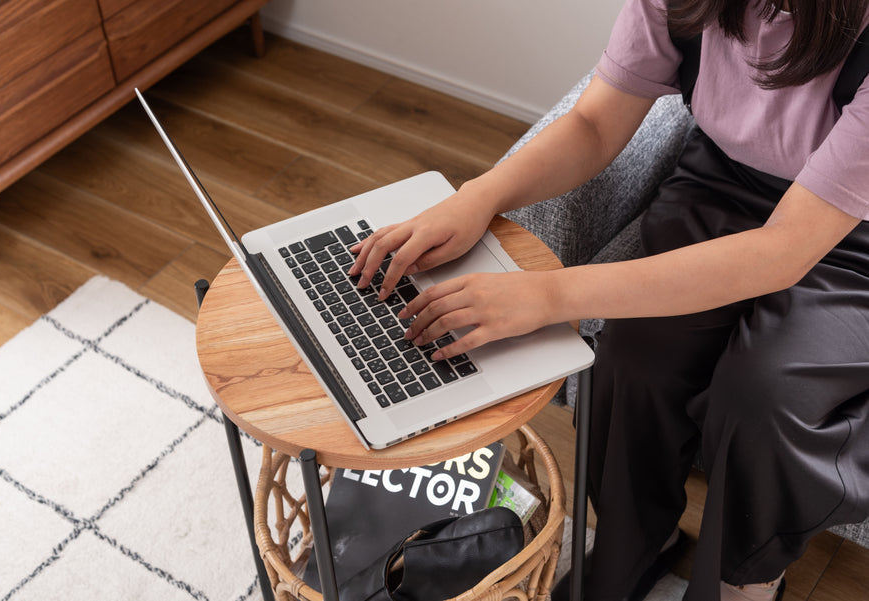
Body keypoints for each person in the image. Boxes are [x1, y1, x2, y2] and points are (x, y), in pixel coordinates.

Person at [349, 0, 869, 600]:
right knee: (633, 354)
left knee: (764, 398)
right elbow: (595, 123)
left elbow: (783, 250)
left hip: (851, 230)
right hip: (726, 181)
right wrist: (479, 196)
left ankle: (741, 582)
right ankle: (631, 544)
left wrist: (550, 296)